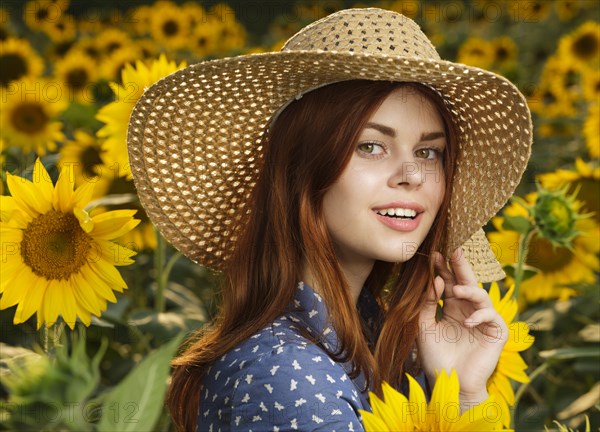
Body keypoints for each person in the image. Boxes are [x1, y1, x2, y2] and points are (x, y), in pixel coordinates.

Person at [127, 8, 532, 432]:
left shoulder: (371, 345)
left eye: (428, 152)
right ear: (304, 169)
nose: (412, 176)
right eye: (371, 147)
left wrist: (463, 393)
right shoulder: (286, 379)